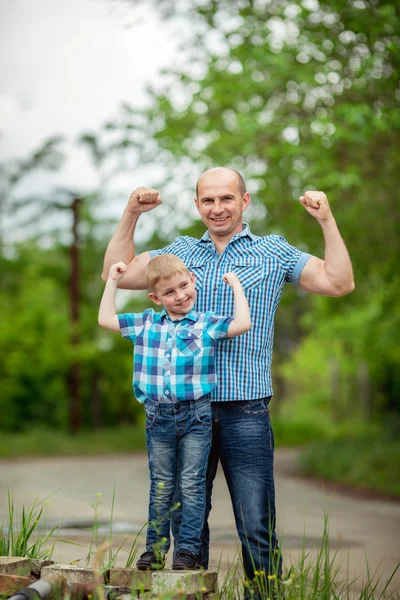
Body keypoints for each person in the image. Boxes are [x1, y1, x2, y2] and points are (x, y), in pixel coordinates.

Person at [102, 167, 354, 591]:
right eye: (208, 200)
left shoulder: (273, 251)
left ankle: (266, 592)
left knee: (256, 525)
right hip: (184, 413)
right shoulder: (180, 252)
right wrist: (131, 214)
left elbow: (339, 281)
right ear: (197, 205)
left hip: (246, 410)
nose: (217, 208)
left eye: (226, 199)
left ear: (245, 201)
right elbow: (117, 274)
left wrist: (326, 219)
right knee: (187, 527)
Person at [98, 252, 251, 571]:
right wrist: (113, 281)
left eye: (183, 286)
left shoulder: (207, 323)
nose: (180, 295)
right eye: (169, 292)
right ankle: (154, 550)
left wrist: (236, 286)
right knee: (162, 484)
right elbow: (106, 320)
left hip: (196, 416)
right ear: (155, 298)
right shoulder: (146, 323)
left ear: (192, 281)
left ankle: (187, 550)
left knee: (193, 484)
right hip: (158, 417)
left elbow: (242, 324)